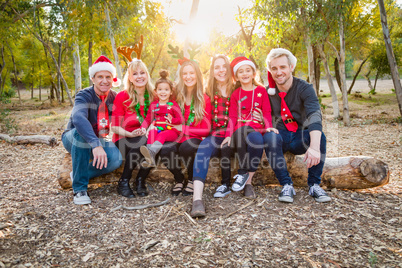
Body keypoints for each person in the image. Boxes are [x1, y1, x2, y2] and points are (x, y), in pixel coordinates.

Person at [253, 48, 331, 203]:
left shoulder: (305, 88)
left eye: (282, 67)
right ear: (270, 71)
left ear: (291, 67)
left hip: (299, 136)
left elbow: (314, 116)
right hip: (279, 136)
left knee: (319, 137)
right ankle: (286, 184)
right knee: (269, 136)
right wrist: (259, 118)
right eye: (274, 68)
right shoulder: (267, 92)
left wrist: (314, 148)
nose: (279, 72)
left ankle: (314, 184)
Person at [62, 55, 123, 205]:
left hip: (98, 139)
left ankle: (78, 174)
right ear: (93, 78)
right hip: (74, 137)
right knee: (81, 134)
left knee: (116, 159)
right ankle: (79, 189)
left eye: (108, 77)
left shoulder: (114, 97)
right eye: (100, 76)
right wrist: (96, 144)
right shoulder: (84, 95)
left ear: (113, 78)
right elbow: (78, 119)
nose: (104, 81)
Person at [221, 56, 278, 199]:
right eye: (241, 71)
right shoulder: (235, 94)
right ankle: (243, 174)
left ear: (253, 74)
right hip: (238, 132)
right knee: (241, 130)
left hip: (256, 128)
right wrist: (228, 135)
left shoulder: (261, 91)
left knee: (257, 140)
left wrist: (269, 126)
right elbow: (232, 117)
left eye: (248, 70)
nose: (245, 73)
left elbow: (266, 111)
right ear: (237, 76)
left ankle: (246, 178)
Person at [159, 59, 212, 197]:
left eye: (191, 73)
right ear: (181, 76)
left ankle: (191, 179)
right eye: (185, 73)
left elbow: (206, 130)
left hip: (194, 137)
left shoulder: (204, 98)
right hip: (175, 134)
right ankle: (179, 178)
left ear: (197, 75)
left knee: (186, 148)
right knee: (165, 150)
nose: (188, 77)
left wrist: (183, 128)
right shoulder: (176, 95)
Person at [190, 54, 234, 217]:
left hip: (234, 135)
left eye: (224, 66)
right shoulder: (208, 91)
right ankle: (197, 200)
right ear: (212, 71)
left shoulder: (236, 89)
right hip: (215, 136)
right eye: (217, 67)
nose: (221, 70)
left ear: (229, 69)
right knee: (203, 149)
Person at [111, 58, 154, 198]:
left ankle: (140, 180)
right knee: (144, 144)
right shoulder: (122, 96)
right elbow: (115, 127)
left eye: (142, 72)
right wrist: (130, 133)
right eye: (135, 74)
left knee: (151, 144)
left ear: (147, 75)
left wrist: (147, 130)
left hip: (145, 136)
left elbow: (157, 119)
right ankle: (123, 181)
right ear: (129, 77)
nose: (139, 76)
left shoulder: (154, 95)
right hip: (124, 138)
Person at [139, 70, 183, 167]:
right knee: (151, 132)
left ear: (171, 92)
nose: (163, 92)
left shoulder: (173, 105)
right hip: (158, 129)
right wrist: (143, 127)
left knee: (162, 134)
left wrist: (172, 120)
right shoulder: (154, 105)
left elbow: (180, 119)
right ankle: (151, 160)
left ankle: (150, 153)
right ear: (156, 91)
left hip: (171, 131)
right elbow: (148, 119)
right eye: (160, 89)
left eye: (166, 90)